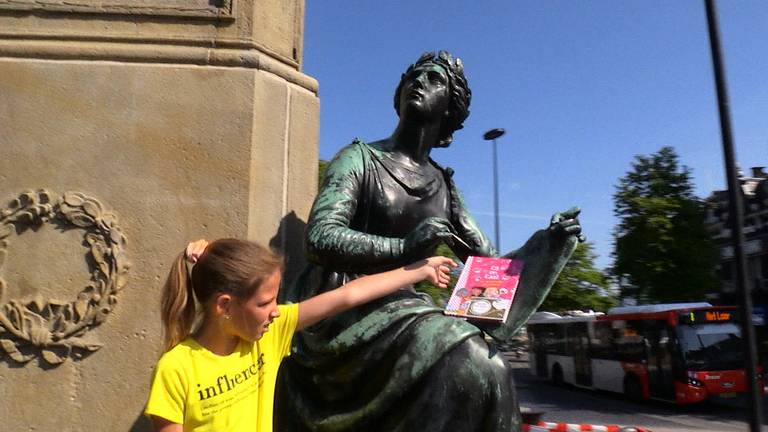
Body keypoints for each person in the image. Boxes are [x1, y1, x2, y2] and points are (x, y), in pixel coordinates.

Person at [276, 51, 582, 431]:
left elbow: (486, 262)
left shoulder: (443, 184)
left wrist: (546, 245)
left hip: (404, 310)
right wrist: (404, 250)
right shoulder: (359, 158)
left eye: (434, 79)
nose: (418, 82)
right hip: (343, 311)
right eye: (414, 77)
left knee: (488, 366)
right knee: (476, 358)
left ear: (450, 108)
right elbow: (320, 238)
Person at [144, 238, 455, 432]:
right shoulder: (175, 369)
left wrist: (417, 270)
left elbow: (349, 295)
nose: (276, 311)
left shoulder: (269, 336)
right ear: (225, 306)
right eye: (265, 303)